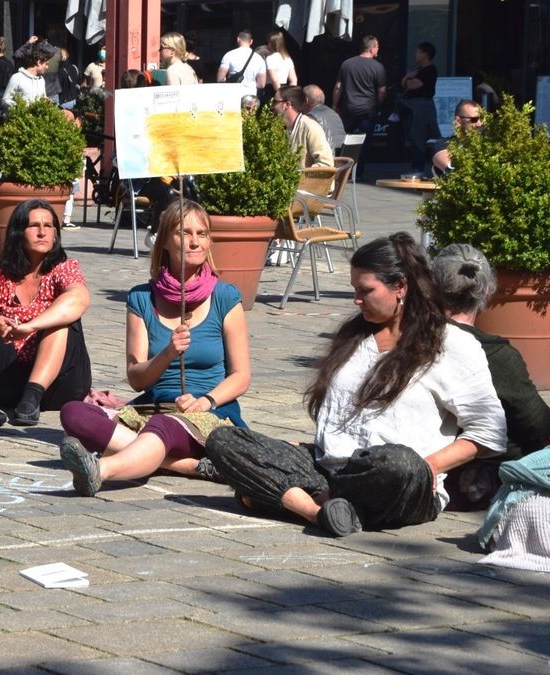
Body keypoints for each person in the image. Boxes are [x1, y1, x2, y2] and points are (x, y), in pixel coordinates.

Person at [207, 233, 507, 537]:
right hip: (330, 470)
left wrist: (430, 464)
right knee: (224, 439)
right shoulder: (356, 337)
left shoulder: (450, 343)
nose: (356, 300)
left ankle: (287, 498)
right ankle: (320, 511)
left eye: (365, 290)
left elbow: (489, 431)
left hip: (400, 482)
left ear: (400, 287)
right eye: (354, 289)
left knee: (398, 462)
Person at [58, 200, 250, 495]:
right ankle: (184, 465)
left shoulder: (225, 296)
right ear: (165, 241)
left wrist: (205, 402)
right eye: (184, 233)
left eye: (202, 233)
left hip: (209, 413)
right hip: (152, 407)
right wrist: (168, 354)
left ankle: (101, 470)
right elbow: (137, 378)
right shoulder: (141, 298)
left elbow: (241, 376)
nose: (195, 241)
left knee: (165, 426)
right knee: (74, 413)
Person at [0, 199, 92, 428]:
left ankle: (32, 396)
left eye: (49, 226)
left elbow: (79, 298)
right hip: (6, 379)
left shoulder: (63, 268)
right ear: (18, 232)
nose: (42, 232)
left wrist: (31, 326)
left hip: (58, 384)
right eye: (34, 226)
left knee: (62, 319)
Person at [431, 244, 550, 510]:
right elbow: (536, 423)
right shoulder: (495, 355)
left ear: (433, 289)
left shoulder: (408, 338)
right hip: (477, 477)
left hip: (430, 463)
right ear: (486, 291)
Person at [398, 42, 440, 173]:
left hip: (421, 108)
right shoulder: (419, 70)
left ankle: (419, 167)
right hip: (413, 107)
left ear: (425, 54)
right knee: (414, 135)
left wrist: (409, 78)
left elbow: (411, 85)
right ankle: (418, 166)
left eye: (418, 52)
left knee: (419, 136)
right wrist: (407, 78)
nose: (416, 55)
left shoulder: (430, 70)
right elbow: (404, 83)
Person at [332, 35, 387, 134]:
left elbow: (338, 87)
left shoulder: (346, 64)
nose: (378, 49)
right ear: (372, 49)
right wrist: (378, 105)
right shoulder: (378, 67)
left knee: (346, 139)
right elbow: (382, 91)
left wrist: (335, 105)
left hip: (349, 109)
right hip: (368, 110)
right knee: (366, 141)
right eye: (377, 47)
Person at [273, 86, 334, 168]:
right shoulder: (279, 129)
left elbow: (326, 164)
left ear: (287, 105)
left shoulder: (310, 127)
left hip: (309, 180)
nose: (272, 106)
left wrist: (303, 177)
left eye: (275, 102)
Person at [431, 99, 483, 174]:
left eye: (482, 118)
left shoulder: (488, 145)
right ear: (458, 121)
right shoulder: (445, 144)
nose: (479, 124)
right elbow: (451, 169)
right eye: (474, 119)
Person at [2, 42, 53, 109]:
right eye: (46, 64)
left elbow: (43, 98)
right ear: (39, 62)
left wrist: (46, 101)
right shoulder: (17, 78)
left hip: (37, 119)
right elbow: (5, 100)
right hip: (20, 118)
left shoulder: (41, 80)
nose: (47, 67)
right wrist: (22, 106)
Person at [217, 31, 266, 97]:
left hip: (233, 94)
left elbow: (220, 78)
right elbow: (262, 84)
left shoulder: (229, 55)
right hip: (251, 95)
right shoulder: (259, 58)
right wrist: (250, 84)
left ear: (238, 39)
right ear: (251, 41)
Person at [303, 84, 346, 152]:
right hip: (342, 157)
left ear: (306, 100)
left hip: (326, 158)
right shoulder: (334, 114)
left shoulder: (311, 118)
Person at [264, 31, 297, 100]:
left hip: (272, 89)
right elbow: (293, 79)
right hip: (285, 88)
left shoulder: (270, 58)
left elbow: (274, 80)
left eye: (269, 42)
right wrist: (289, 95)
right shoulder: (287, 58)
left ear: (272, 44)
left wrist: (280, 95)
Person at [57, 45, 81, 110]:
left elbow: (58, 87)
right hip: (74, 100)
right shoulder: (74, 67)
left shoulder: (60, 70)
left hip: (64, 102)